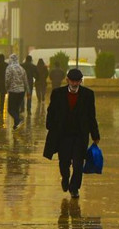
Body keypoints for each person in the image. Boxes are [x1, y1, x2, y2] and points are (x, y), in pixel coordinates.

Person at [43, 68, 101, 199]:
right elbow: (51, 111)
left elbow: (92, 116)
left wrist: (95, 135)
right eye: (72, 81)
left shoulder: (88, 95)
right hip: (63, 135)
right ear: (67, 80)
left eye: (77, 81)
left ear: (81, 81)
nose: (74, 84)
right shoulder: (57, 93)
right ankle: (65, 177)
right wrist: (50, 126)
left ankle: (74, 187)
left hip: (80, 135)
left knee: (78, 163)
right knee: (64, 162)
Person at [5, 54, 28, 130]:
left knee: (10, 109)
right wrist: (28, 91)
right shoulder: (22, 68)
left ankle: (18, 120)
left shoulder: (9, 68)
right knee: (16, 109)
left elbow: (7, 79)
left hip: (13, 91)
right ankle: (16, 126)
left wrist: (6, 88)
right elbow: (25, 81)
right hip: (21, 92)